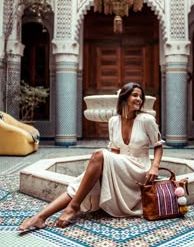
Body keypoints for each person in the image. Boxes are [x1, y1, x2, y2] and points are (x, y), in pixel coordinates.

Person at [19, 82, 164, 231]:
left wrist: (154, 167)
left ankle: (72, 208)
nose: (139, 99)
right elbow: (114, 151)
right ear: (124, 97)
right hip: (122, 166)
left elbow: (158, 145)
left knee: (98, 155)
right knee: (83, 180)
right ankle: (41, 217)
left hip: (139, 168)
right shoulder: (114, 121)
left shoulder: (147, 120)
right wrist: (107, 170)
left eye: (141, 96)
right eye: (135, 95)